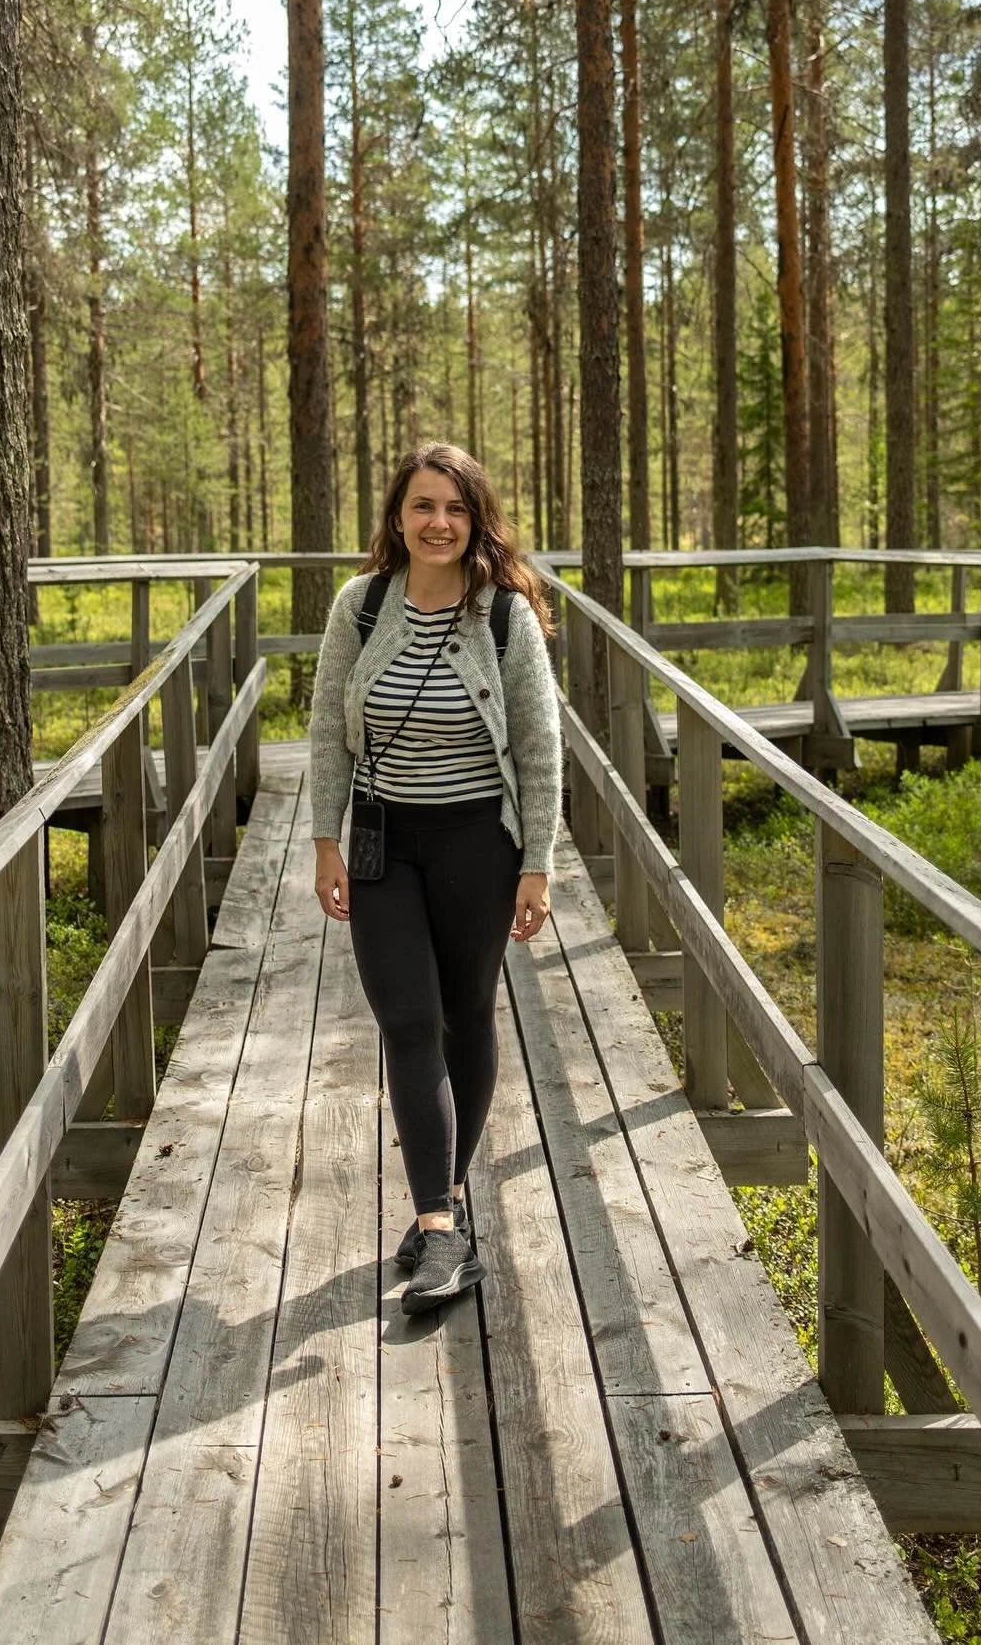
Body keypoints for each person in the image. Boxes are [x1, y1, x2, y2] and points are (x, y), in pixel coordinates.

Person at [309, 443, 562, 1316]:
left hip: (477, 846)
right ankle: (442, 1224)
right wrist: (322, 840)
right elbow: (326, 732)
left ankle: (440, 1213)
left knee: (467, 1017)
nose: (439, 523)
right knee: (409, 1022)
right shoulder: (361, 607)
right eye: (422, 506)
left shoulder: (504, 618)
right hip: (383, 841)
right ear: (397, 517)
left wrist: (538, 863)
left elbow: (539, 748)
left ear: (475, 517)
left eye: (454, 508)